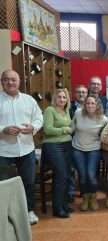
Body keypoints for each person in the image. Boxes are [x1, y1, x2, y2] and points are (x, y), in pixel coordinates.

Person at [0, 69, 43, 225]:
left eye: (13, 79)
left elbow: (39, 118)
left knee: (29, 181)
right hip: (3, 150)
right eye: (6, 79)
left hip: (26, 149)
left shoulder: (29, 100)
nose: (10, 82)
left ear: (19, 82)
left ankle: (28, 210)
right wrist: (2, 129)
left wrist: (32, 127)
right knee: (3, 183)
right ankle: (5, 214)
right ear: (1, 81)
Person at [72, 95, 108, 211]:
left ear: (97, 104)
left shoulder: (103, 119)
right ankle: (85, 198)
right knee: (82, 176)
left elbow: (105, 134)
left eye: (92, 103)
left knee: (91, 175)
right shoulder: (78, 113)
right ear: (84, 104)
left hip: (94, 149)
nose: (90, 105)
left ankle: (93, 197)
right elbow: (72, 128)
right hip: (77, 148)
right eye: (88, 103)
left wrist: (102, 137)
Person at [42, 89, 73, 218]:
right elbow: (47, 129)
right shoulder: (50, 110)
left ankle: (64, 203)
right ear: (55, 98)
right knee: (60, 175)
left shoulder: (66, 111)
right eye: (59, 97)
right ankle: (57, 208)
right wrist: (64, 129)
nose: (62, 100)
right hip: (54, 145)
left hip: (67, 144)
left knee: (67, 175)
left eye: (64, 97)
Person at [68, 85, 88, 203]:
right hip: (70, 140)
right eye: (79, 92)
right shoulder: (69, 106)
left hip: (85, 142)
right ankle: (70, 192)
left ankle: (83, 191)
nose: (81, 94)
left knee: (83, 168)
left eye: (83, 92)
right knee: (71, 168)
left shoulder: (91, 106)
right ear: (74, 93)